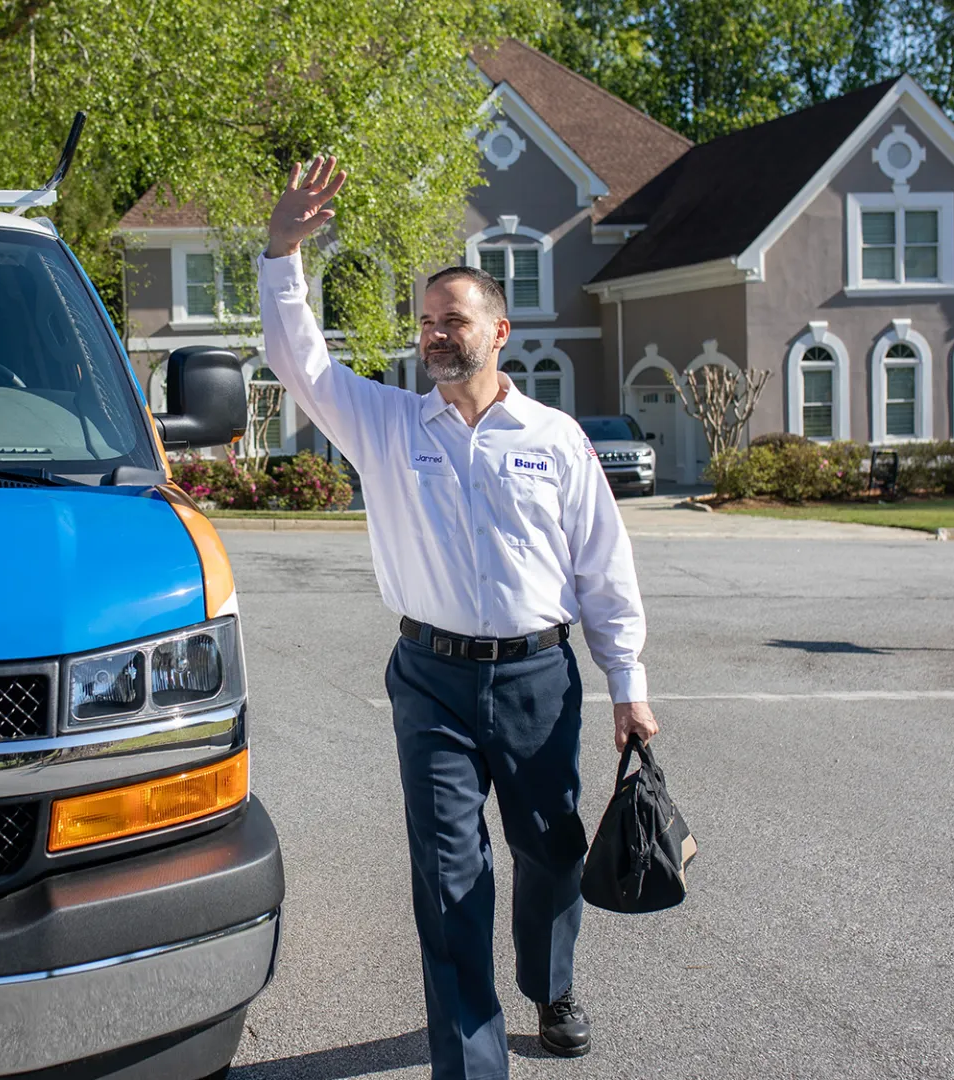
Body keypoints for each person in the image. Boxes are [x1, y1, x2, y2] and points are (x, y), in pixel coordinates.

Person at [257, 155, 657, 1079]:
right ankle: (472, 1066)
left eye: (454, 320)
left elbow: (605, 571)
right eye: (427, 322)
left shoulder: (555, 440)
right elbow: (301, 360)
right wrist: (283, 251)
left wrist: (628, 685)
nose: (436, 334)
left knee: (551, 853)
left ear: (499, 332)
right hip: (430, 680)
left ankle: (551, 988)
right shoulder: (388, 425)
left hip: (537, 681)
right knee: (449, 880)